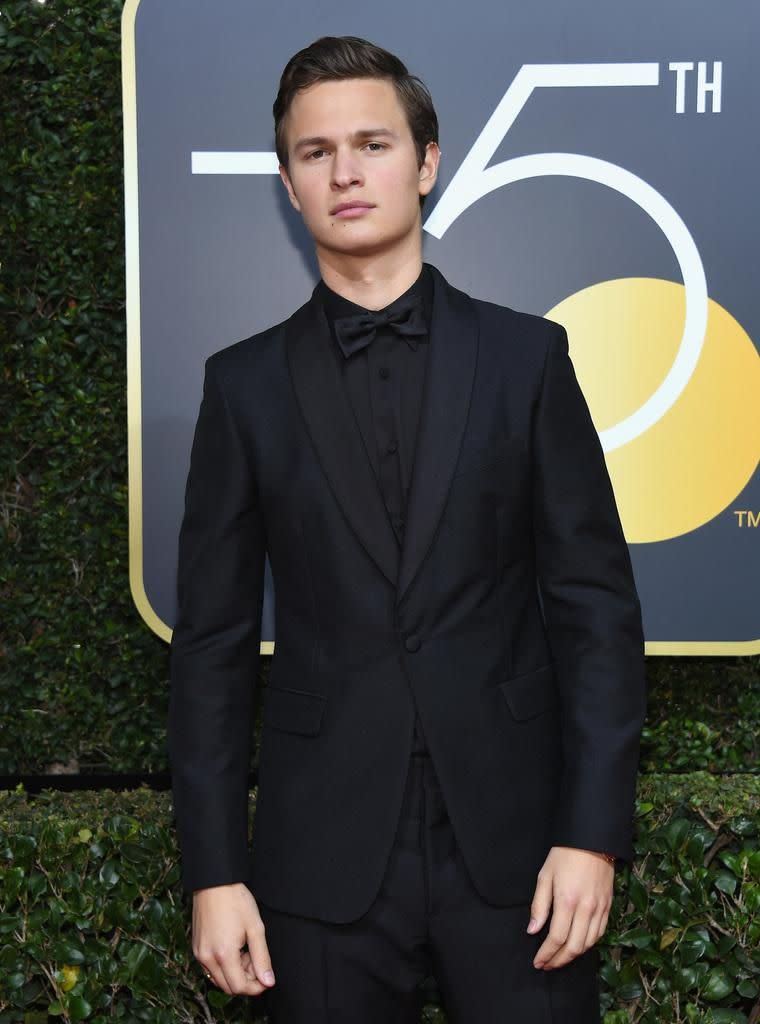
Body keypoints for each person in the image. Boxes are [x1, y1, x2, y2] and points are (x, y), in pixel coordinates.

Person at [167, 34, 647, 1023]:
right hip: (321, 864)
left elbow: (594, 611)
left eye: (373, 143)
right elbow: (210, 648)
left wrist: (590, 835)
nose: (345, 171)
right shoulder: (243, 386)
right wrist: (212, 874)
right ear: (289, 184)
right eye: (315, 152)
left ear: (426, 164)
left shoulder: (528, 360)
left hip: (520, 855)